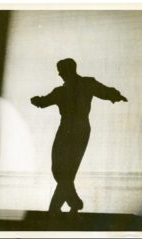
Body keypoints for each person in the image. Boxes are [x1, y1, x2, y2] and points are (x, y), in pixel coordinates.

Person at [31, 58, 127, 215]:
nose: (59, 73)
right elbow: (43, 102)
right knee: (58, 169)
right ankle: (74, 202)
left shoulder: (86, 84)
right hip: (67, 129)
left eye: (60, 70)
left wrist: (115, 95)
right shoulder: (60, 91)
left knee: (67, 171)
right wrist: (36, 101)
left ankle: (55, 208)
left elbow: (104, 91)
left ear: (68, 70)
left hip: (78, 129)